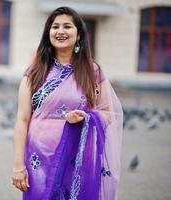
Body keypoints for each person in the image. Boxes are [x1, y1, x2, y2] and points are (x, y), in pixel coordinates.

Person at [12, 6, 123, 200]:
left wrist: (85, 117)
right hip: (38, 159)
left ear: (78, 34)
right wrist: (18, 166)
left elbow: (108, 113)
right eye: (55, 26)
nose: (60, 31)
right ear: (49, 33)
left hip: (76, 157)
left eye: (67, 26)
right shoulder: (35, 72)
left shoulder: (92, 72)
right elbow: (22, 120)